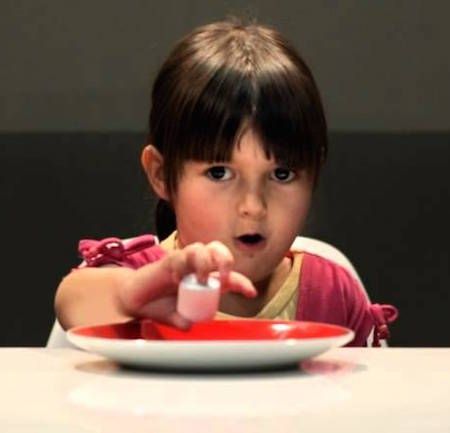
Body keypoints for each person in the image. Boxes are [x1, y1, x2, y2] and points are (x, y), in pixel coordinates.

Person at [55, 19, 397, 346]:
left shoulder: (333, 293)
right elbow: (73, 299)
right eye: (219, 173)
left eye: (282, 174)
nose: (253, 206)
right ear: (161, 175)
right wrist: (130, 295)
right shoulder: (139, 279)